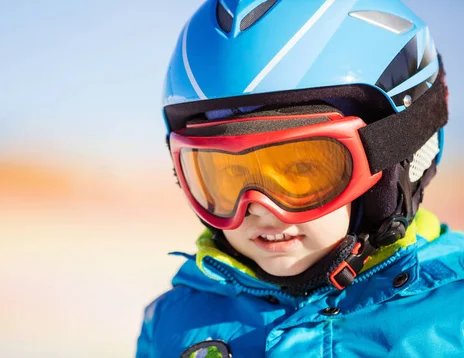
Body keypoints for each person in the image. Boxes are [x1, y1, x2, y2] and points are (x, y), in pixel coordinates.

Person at [137, 1, 463, 357]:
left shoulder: (451, 317)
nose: (260, 208)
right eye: (225, 176)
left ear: (398, 160)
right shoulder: (174, 325)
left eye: (303, 170)